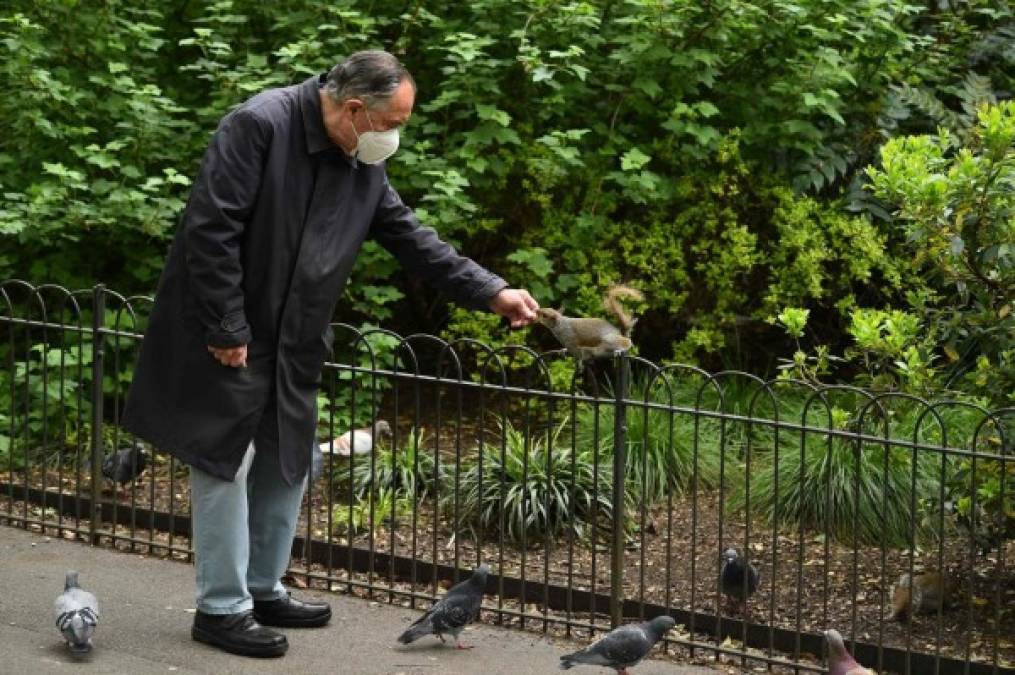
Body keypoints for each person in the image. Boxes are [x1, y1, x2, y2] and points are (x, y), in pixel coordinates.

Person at [122, 50, 538, 658]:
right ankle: (220, 609)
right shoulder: (259, 124)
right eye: (391, 124)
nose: (394, 137)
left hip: (296, 337)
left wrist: (490, 290)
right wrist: (227, 324)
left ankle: (262, 589)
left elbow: (410, 237)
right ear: (351, 109)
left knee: (287, 459)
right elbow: (212, 228)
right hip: (229, 331)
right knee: (223, 464)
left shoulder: (358, 158)